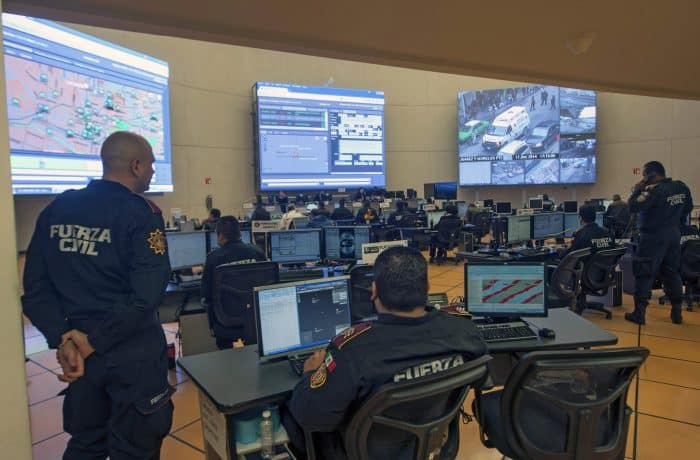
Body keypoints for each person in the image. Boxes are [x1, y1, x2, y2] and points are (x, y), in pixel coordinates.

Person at [22, 131, 174, 458]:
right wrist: (95, 340)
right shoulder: (142, 214)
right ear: (136, 166)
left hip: (81, 360)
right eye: (150, 165)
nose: (152, 173)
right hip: (133, 360)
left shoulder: (56, 210)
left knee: (86, 445)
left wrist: (64, 339)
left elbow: (34, 291)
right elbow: (146, 295)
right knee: (135, 449)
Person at [282, 246, 487, 458]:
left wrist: (309, 374)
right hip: (430, 446)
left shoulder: (352, 349)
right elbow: (483, 379)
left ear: (374, 291)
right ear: (427, 286)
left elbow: (309, 416)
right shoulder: (464, 330)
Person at [625, 161, 693, 325]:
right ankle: (677, 313)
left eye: (644, 175)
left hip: (652, 237)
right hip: (673, 235)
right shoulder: (681, 187)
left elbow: (633, 206)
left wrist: (637, 190)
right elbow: (688, 208)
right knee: (672, 272)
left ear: (651, 175)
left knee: (644, 272)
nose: (643, 179)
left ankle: (639, 314)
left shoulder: (652, 192)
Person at [200, 216, 266, 348]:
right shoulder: (258, 252)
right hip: (257, 322)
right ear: (239, 234)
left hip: (226, 323)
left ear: (220, 236)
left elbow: (205, 294)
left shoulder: (214, 258)